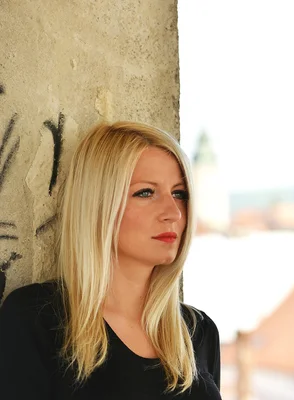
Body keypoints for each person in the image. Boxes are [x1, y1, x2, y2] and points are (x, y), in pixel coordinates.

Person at [0, 121, 221, 399]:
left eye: (179, 194)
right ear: (100, 203)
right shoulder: (37, 319)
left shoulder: (198, 332)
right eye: (146, 192)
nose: (173, 213)